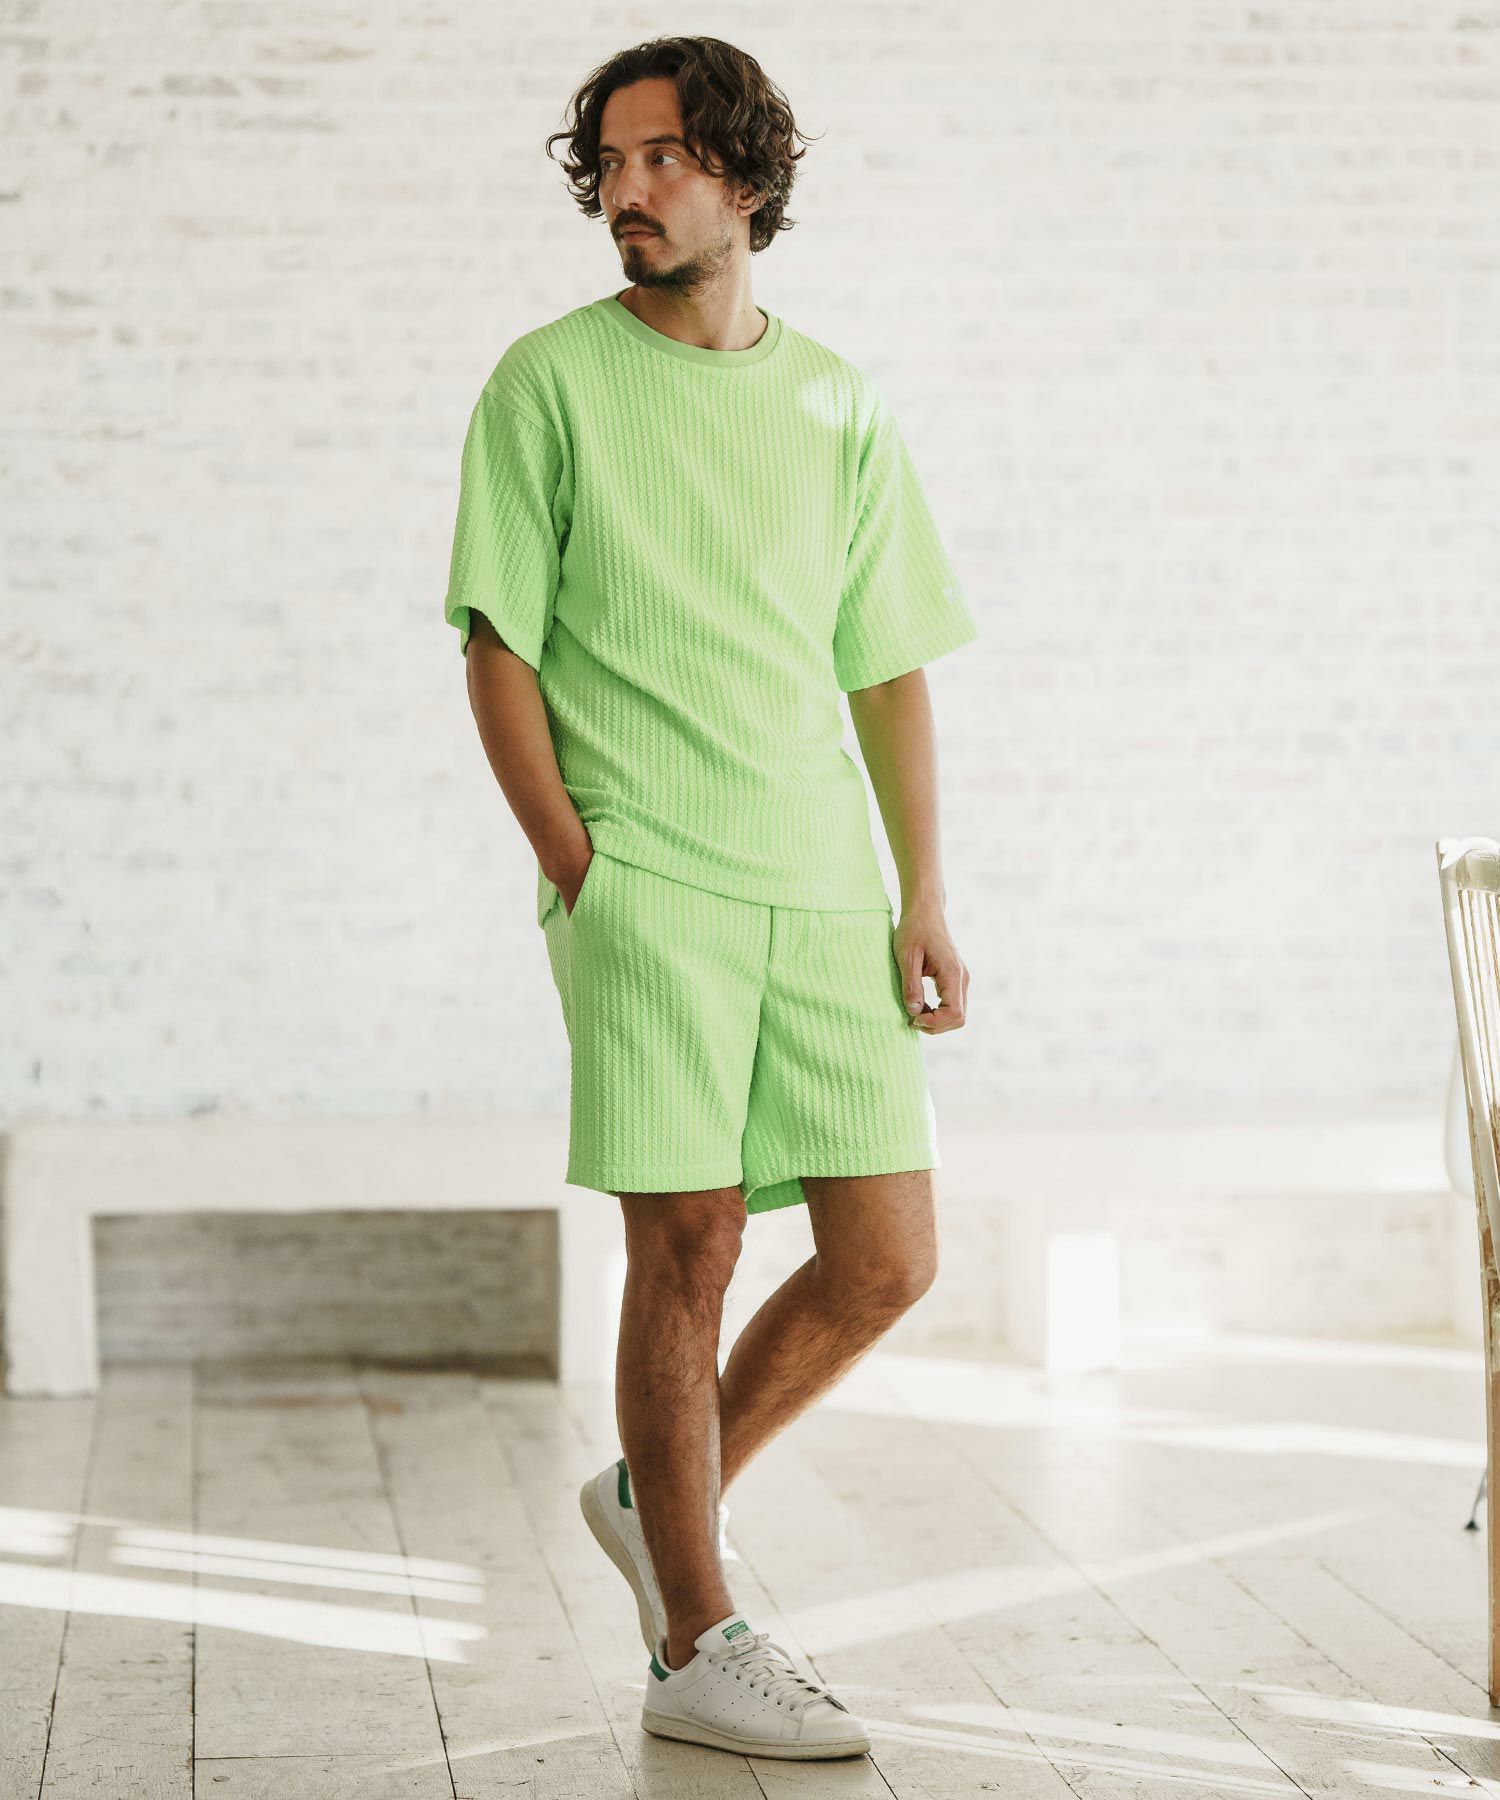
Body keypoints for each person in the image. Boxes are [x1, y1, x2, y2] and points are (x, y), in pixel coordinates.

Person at [443, 34, 978, 1763]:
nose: (628, 190)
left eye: (663, 157)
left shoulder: (838, 403)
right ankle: (694, 1636)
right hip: (647, 877)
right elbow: (499, 648)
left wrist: (921, 891)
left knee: (889, 1257)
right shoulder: (548, 383)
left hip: (822, 883)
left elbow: (886, 665)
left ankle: (651, 1494)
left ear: (745, 175)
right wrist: (577, 866)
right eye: (608, 163)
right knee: (687, 1245)